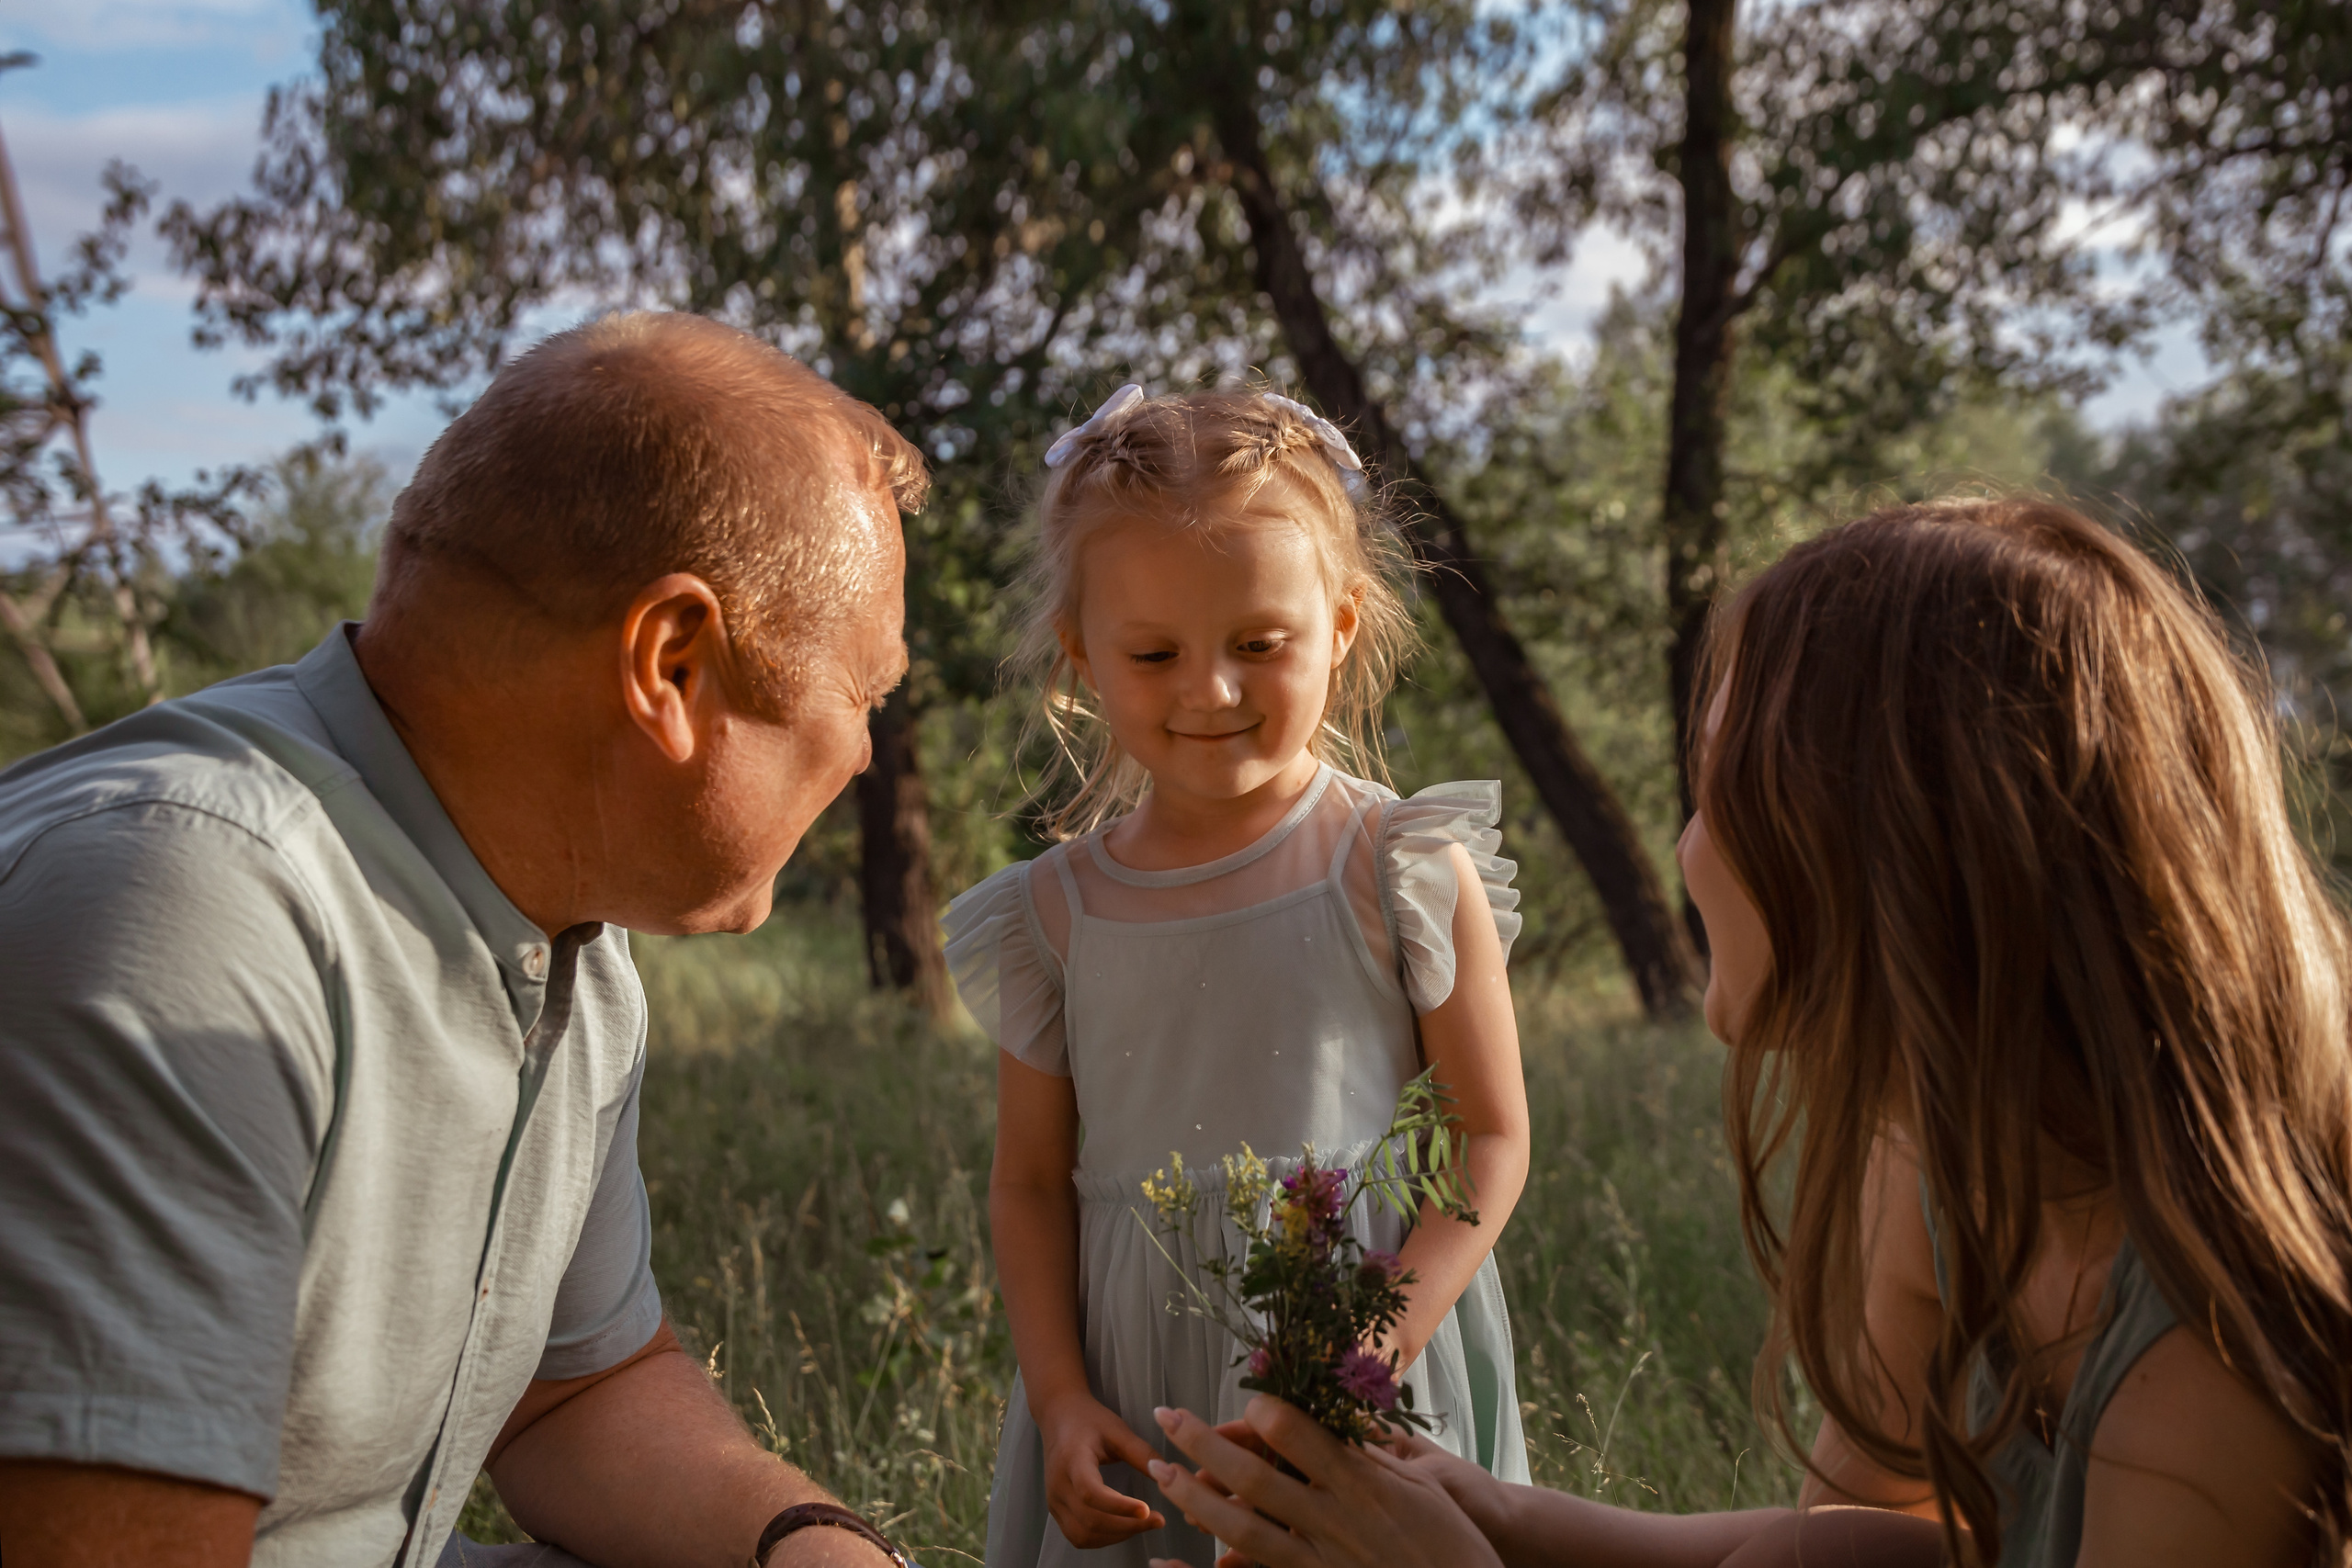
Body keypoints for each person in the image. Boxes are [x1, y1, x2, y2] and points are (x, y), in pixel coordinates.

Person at [1146, 496, 2352, 1568]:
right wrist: (1503, 1520)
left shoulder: (2219, 1355)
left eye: (1723, 797)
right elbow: (1835, 1551)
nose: (1686, 850)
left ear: (1888, 864)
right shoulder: (1941, 1158)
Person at [0, 312, 925, 1568]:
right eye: (863, 692)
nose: (866, 749)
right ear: (672, 664)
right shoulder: (187, 911)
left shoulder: (571, 944)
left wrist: (808, 1548)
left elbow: (573, 1390)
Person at [943, 385, 1533, 1568]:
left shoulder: (1397, 865)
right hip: (1132, 1386)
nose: (1210, 690)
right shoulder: (1049, 916)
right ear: (1081, 655)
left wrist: (1363, 1360)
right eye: (1154, 653)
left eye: (1260, 645)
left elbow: (1488, 1140)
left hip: (1360, 1371)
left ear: (1345, 626)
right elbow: (1031, 1184)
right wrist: (1060, 1398)